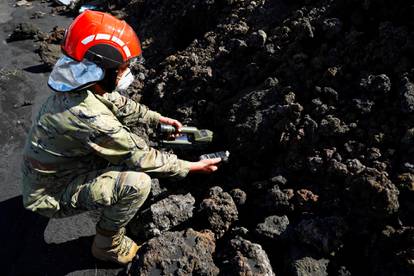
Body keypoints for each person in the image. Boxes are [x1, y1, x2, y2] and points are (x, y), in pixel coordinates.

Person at [21, 10, 221, 265]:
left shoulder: (79, 86)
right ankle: (107, 245)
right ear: (101, 69)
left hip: (46, 174)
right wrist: (192, 167)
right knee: (137, 183)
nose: (124, 74)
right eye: (121, 69)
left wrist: (156, 118)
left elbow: (118, 102)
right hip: (47, 196)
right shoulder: (89, 117)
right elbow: (141, 157)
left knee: (116, 158)